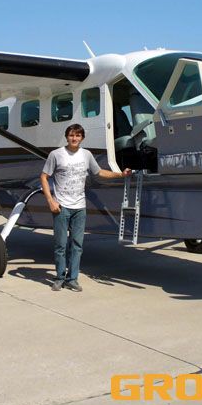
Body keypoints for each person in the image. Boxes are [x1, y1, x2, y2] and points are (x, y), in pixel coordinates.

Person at [41, 123, 131, 292]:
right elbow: (44, 177)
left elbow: (99, 172)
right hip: (61, 206)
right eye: (71, 135)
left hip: (80, 207)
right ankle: (59, 278)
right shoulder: (56, 154)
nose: (74, 138)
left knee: (77, 245)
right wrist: (50, 200)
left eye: (77, 135)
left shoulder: (86, 154)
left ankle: (72, 279)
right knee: (60, 245)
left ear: (82, 138)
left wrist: (121, 174)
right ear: (66, 137)